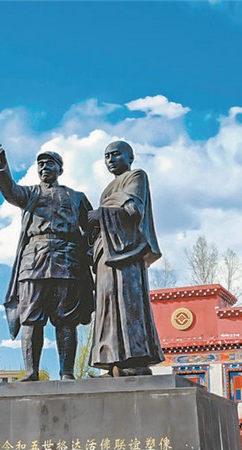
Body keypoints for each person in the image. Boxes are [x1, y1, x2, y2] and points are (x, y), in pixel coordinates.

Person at [0, 145, 94, 381]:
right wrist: (1, 166)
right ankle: (31, 371)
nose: (44, 167)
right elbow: (10, 190)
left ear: (60, 169)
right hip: (33, 261)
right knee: (30, 317)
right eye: (40, 164)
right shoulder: (30, 193)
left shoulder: (76, 197)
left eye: (49, 163)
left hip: (67, 261)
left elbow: (91, 229)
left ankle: (66, 373)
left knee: (66, 318)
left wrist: (90, 251)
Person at [88, 140, 164, 376]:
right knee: (107, 304)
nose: (111, 160)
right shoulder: (106, 190)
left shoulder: (136, 176)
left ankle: (135, 360)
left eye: (116, 154)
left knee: (128, 303)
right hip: (105, 252)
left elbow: (133, 209)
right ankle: (112, 361)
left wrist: (101, 214)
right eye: (107, 156)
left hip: (127, 251)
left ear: (130, 157)